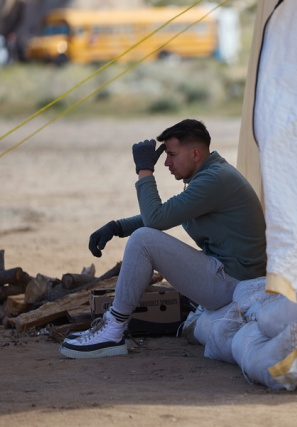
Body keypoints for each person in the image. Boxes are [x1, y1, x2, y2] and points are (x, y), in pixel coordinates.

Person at [59, 119, 267, 359]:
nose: (167, 162)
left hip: (231, 283)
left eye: (171, 154)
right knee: (143, 235)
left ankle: (113, 329)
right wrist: (117, 227)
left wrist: (145, 170)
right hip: (227, 277)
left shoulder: (214, 180)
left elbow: (156, 219)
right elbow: (167, 213)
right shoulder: (211, 175)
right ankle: (112, 328)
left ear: (195, 153)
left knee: (144, 240)